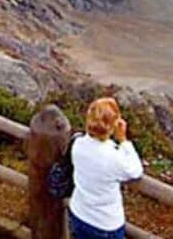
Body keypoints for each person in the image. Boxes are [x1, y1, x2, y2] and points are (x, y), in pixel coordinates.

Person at [69, 97, 144, 239]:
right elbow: (136, 171)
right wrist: (123, 140)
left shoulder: (77, 143)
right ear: (114, 125)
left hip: (79, 213)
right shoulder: (113, 157)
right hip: (104, 224)